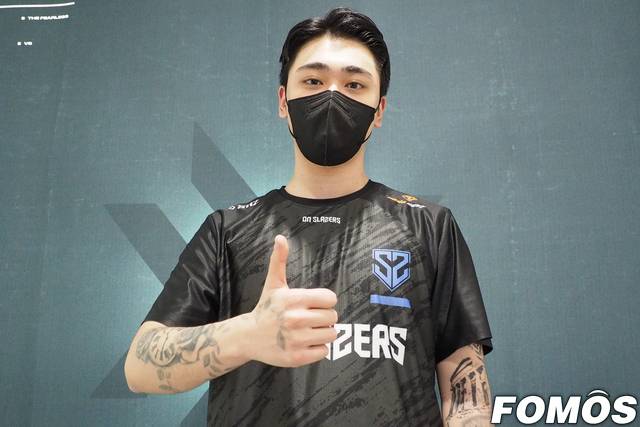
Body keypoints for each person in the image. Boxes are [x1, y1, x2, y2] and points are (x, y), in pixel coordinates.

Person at [124, 7, 495, 426]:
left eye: (354, 84)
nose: (332, 96)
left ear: (379, 110)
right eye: (313, 81)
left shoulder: (428, 226)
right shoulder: (228, 230)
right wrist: (247, 334)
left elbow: (466, 396)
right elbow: (140, 366)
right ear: (284, 100)